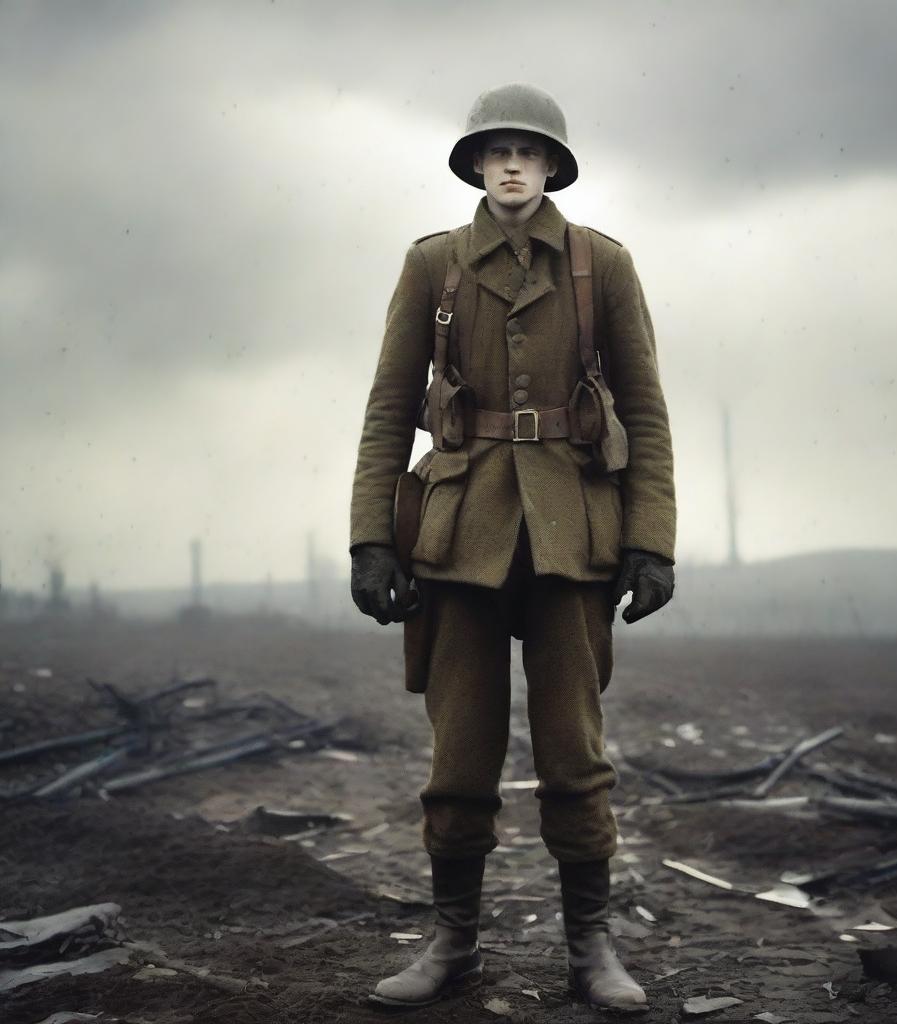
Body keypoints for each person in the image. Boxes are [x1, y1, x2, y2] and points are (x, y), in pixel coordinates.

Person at [350, 83, 676, 1013]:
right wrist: (372, 536)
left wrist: (652, 541)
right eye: (494, 152)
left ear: (552, 167)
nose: (511, 167)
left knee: (576, 753)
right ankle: (453, 943)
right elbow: (386, 410)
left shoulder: (601, 266)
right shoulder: (434, 266)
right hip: (457, 539)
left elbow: (645, 412)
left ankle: (591, 951)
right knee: (459, 757)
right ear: (476, 165)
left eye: (528, 153)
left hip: (574, 535)